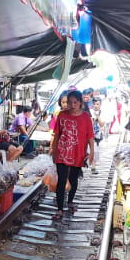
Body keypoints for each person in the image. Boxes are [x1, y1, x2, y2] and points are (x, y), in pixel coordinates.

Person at [50, 90, 94, 219]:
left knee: (74, 179)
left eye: (75, 102)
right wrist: (54, 150)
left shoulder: (85, 117)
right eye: (70, 102)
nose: (72, 105)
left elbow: (90, 136)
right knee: (62, 180)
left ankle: (70, 202)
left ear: (80, 103)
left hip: (78, 152)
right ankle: (59, 209)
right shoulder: (62, 115)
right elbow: (57, 134)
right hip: (62, 152)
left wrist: (91, 152)